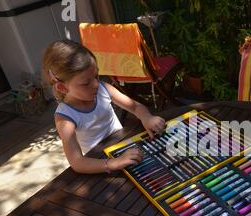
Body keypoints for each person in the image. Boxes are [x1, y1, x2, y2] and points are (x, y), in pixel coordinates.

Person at [42, 39, 165, 174]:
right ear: (62, 87)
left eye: (96, 76)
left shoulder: (103, 89)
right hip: (99, 162)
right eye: (86, 83)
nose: (95, 84)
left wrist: (147, 117)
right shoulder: (65, 117)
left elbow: (134, 107)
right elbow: (77, 162)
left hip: (123, 146)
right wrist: (113, 163)